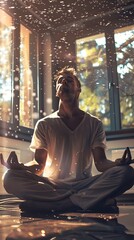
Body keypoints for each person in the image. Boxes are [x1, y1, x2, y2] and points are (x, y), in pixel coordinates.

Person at [1, 67, 134, 214]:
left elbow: (101, 163)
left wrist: (117, 164)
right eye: (60, 81)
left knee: (127, 173)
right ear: (57, 91)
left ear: (78, 89)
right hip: (52, 186)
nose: (63, 82)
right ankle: (88, 202)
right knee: (9, 177)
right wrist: (21, 167)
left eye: (69, 80)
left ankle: (58, 205)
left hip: (85, 185)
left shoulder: (94, 123)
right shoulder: (44, 124)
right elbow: (39, 166)